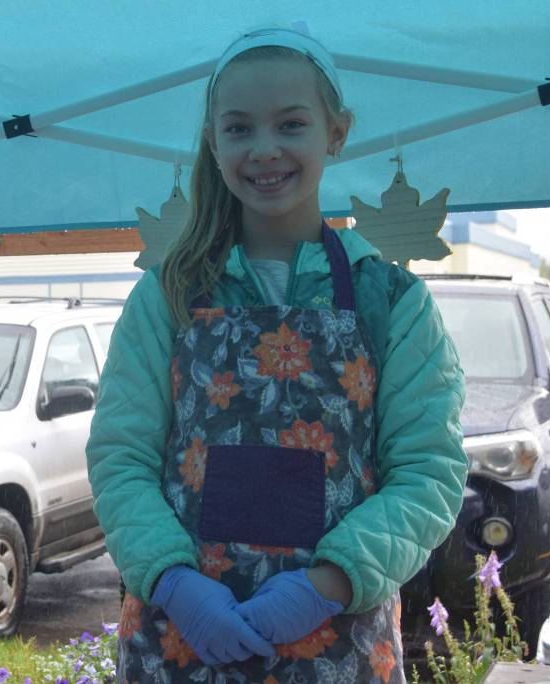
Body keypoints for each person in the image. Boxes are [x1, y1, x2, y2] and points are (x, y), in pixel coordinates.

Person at [86, 28, 467, 682]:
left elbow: (428, 473)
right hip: (182, 640)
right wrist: (176, 584)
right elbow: (121, 455)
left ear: (336, 133)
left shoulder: (391, 302)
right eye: (239, 129)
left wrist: (325, 585)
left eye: (291, 124)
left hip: (338, 641)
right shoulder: (167, 295)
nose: (265, 151)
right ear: (213, 139)